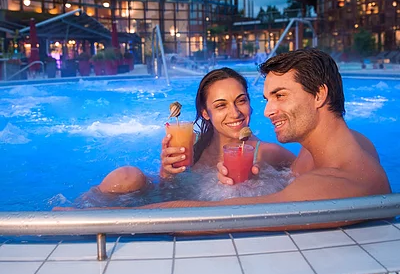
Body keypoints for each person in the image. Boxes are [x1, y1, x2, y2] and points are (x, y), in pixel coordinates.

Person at [141, 49, 391, 212]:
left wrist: (108, 218)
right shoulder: (347, 144)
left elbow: (223, 217)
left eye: (280, 96)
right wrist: (257, 181)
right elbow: (286, 183)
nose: (267, 111)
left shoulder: (333, 185)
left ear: (319, 95)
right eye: (267, 99)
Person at [99, 67, 295, 193]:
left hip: (220, 221)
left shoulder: (266, 152)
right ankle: (78, 214)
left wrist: (262, 185)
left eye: (241, 101)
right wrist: (167, 173)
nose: (235, 113)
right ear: (206, 113)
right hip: (180, 209)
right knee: (125, 176)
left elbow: (309, 171)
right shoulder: (191, 144)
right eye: (221, 105)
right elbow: (167, 191)